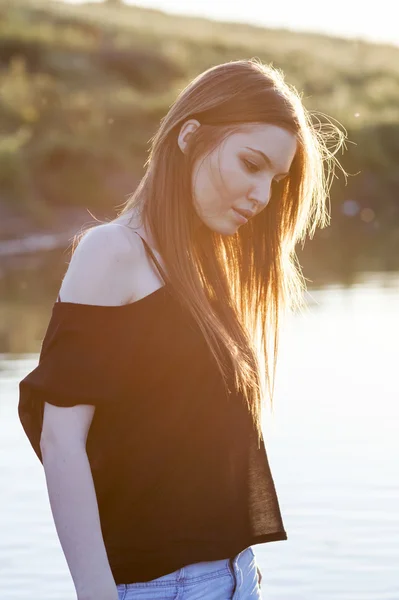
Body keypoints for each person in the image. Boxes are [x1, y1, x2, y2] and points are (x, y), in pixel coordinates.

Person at [18, 58, 345, 600]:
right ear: (190, 137)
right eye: (251, 163)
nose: (262, 196)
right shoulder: (114, 253)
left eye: (275, 179)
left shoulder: (207, 268)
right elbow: (61, 440)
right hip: (163, 588)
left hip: (237, 577)